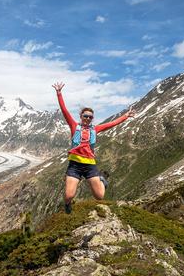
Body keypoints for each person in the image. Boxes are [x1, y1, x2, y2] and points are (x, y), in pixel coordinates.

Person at [52, 81, 135, 214]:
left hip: (90, 165)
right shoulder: (74, 126)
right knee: (68, 196)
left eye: (90, 117)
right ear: (81, 116)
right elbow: (64, 111)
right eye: (85, 116)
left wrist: (125, 116)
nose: (88, 118)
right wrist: (59, 93)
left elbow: (111, 124)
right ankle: (68, 205)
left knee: (99, 196)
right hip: (74, 165)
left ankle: (102, 179)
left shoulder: (95, 129)